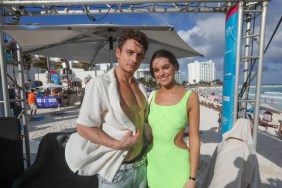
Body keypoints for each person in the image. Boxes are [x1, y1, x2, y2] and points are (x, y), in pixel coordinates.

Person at [65, 28, 149, 188]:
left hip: (141, 166)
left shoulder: (141, 88)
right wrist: (116, 144)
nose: (134, 59)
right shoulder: (100, 84)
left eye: (139, 55)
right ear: (118, 52)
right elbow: (83, 127)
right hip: (117, 171)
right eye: (129, 52)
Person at [146, 49, 200, 188]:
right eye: (156, 70)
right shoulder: (151, 96)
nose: (161, 73)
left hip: (178, 166)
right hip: (152, 165)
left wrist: (192, 178)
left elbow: (194, 138)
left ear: (175, 66)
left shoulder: (190, 97)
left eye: (166, 67)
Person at [201, 118, 262, 188]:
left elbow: (210, 171)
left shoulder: (222, 144)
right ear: (248, 131)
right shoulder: (249, 152)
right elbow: (254, 182)